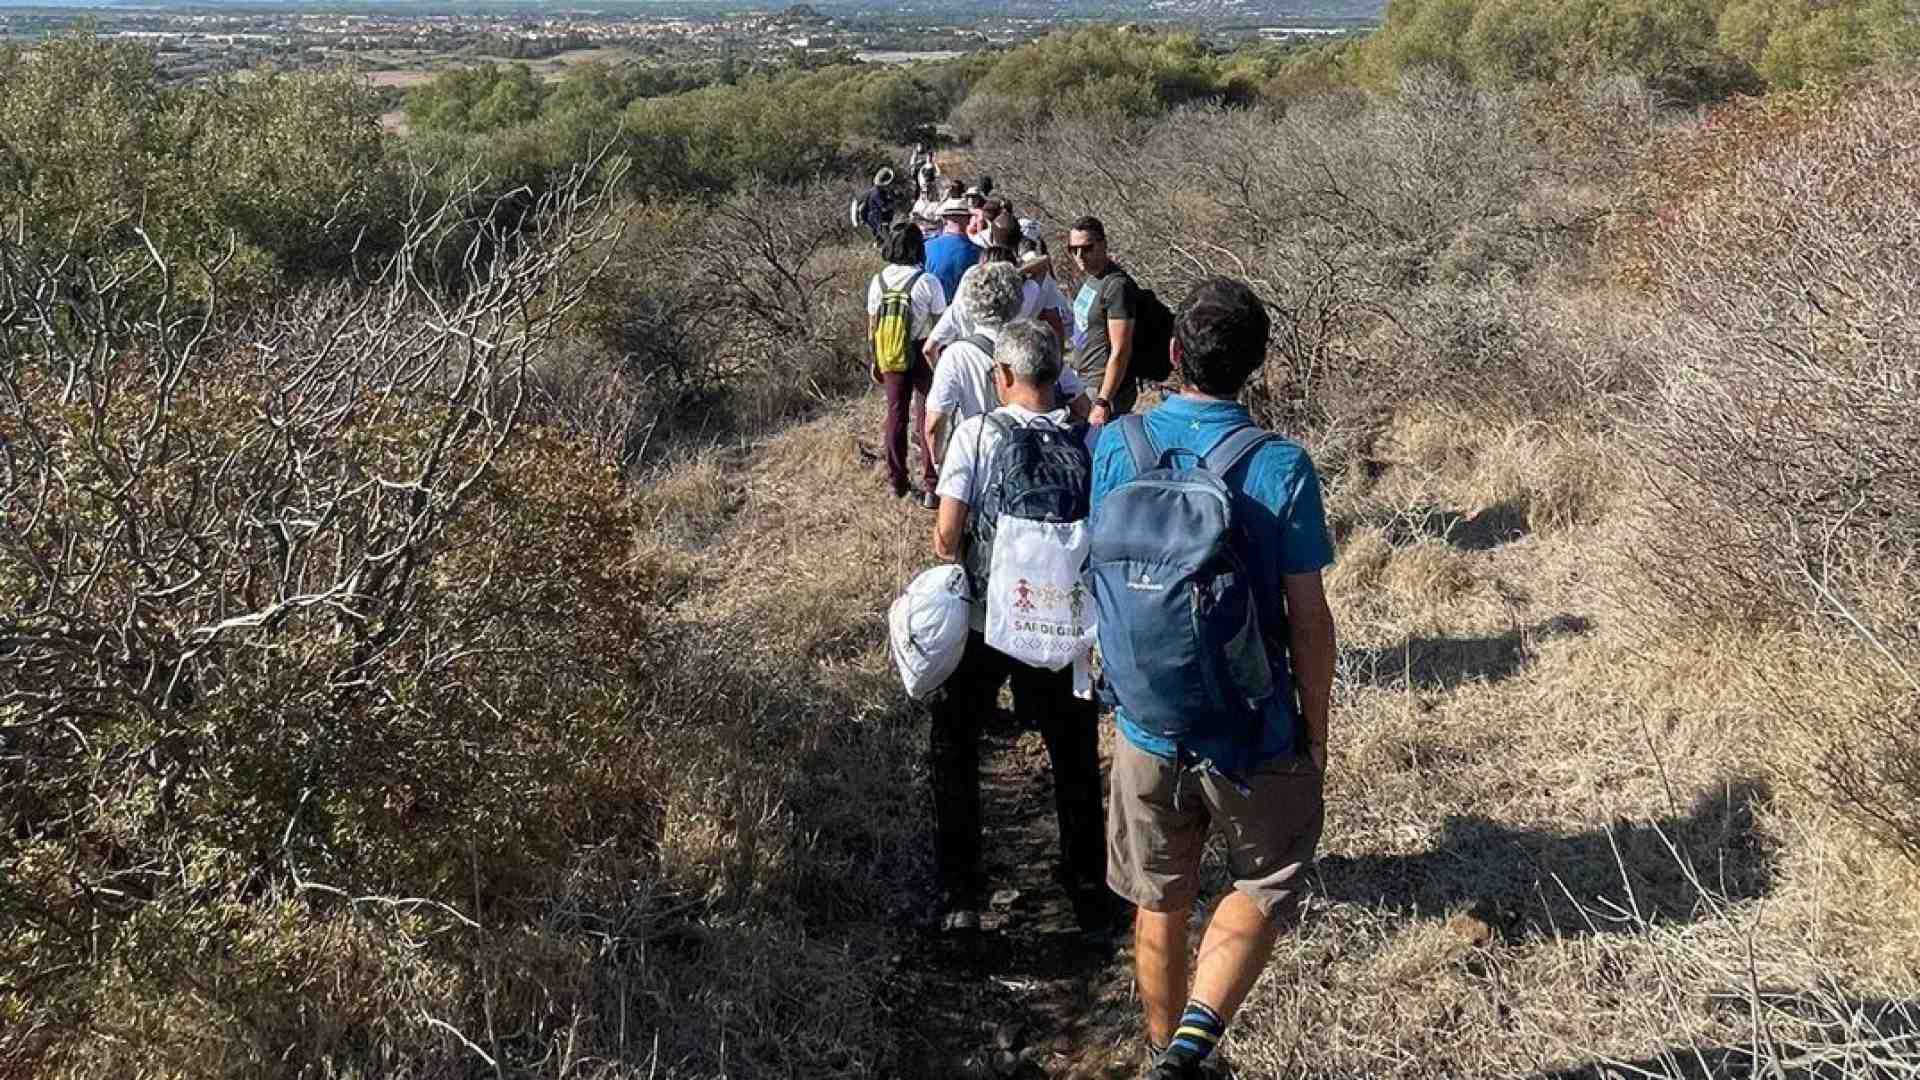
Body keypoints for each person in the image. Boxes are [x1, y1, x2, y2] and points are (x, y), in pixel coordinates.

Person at [1089, 279, 1336, 1080]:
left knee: (1159, 899)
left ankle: (1166, 1052)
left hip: (1145, 720)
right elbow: (1307, 620)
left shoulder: (1116, 446)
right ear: (1256, 366)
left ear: (1171, 355)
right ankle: (1193, 1049)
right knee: (1265, 877)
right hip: (1251, 724)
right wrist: (1315, 729)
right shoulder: (1281, 467)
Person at [929, 317, 1116, 935]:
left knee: (956, 745)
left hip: (988, 621)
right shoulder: (1088, 441)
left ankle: (961, 891)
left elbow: (948, 537)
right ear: (1055, 375)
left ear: (1001, 376)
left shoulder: (976, 435)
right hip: (1062, 623)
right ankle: (1087, 885)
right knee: (1073, 752)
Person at [926, 263, 1089, 467]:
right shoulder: (1040, 343)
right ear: (1018, 299)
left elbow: (934, 424)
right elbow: (1082, 406)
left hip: (981, 458)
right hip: (1036, 463)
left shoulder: (956, 356)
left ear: (970, 302)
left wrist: (939, 462)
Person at [867, 223, 949, 507]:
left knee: (896, 415)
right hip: (924, 351)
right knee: (928, 416)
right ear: (918, 247)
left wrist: (876, 359)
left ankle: (897, 480)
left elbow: (873, 326)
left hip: (890, 349)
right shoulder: (927, 281)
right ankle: (931, 484)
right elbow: (941, 325)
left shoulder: (878, 282)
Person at [1066, 215, 1140, 425]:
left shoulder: (1116, 286)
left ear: (1103, 244)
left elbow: (1121, 349)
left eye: (1087, 248)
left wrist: (1103, 401)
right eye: (1073, 249)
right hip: (1084, 379)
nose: (1080, 256)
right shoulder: (1093, 278)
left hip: (1103, 388)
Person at [924, 197, 980, 316]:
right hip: (964, 314)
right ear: (969, 219)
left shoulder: (926, 247)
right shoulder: (978, 252)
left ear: (944, 219)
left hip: (930, 312)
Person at [861, 168, 898, 247]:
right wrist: (893, 204)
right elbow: (884, 208)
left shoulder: (880, 191)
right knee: (888, 242)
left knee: (882, 239)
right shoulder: (876, 193)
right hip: (878, 220)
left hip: (879, 219)